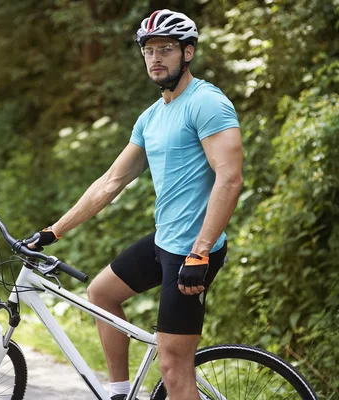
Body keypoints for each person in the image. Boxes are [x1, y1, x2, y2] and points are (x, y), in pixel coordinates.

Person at [24, 9, 244, 400]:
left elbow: (229, 178)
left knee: (175, 368)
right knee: (101, 294)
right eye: (149, 51)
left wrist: (201, 252)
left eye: (166, 49)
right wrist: (52, 231)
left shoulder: (207, 103)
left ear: (188, 53)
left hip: (193, 252)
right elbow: (111, 183)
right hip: (165, 241)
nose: (156, 58)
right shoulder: (151, 117)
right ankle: (120, 393)